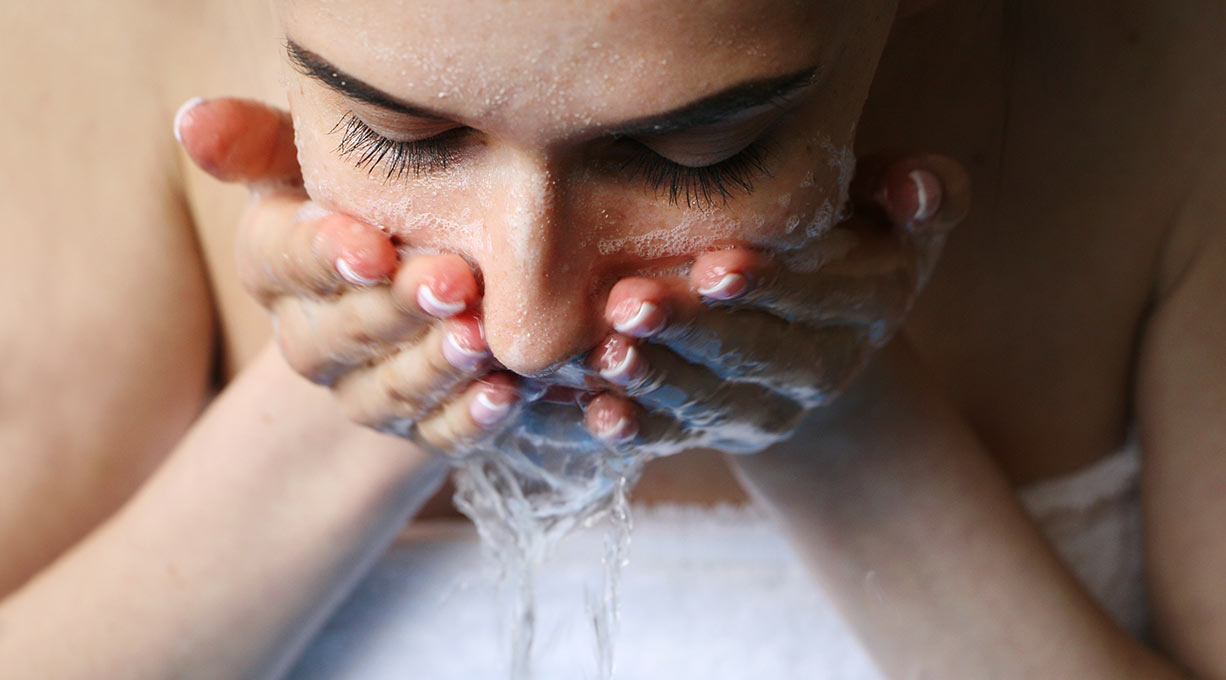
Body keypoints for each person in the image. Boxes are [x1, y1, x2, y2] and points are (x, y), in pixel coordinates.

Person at [1, 0, 1223, 678]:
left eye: (697, 153)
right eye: (400, 137)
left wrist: (845, 426)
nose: (530, 331)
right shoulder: (81, 49)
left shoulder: (1170, 82)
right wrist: (344, 401)